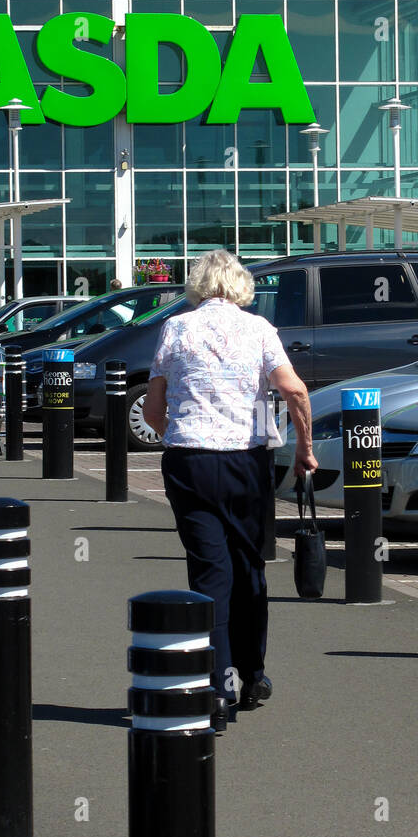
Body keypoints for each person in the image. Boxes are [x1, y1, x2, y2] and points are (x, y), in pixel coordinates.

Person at [143, 249, 317, 723]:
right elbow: (295, 390)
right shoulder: (260, 330)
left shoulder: (177, 328)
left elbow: (154, 411)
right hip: (245, 461)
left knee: (208, 573)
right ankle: (253, 673)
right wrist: (303, 448)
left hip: (190, 461)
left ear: (197, 286)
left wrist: (182, 432)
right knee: (249, 567)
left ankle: (216, 683)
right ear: (240, 286)